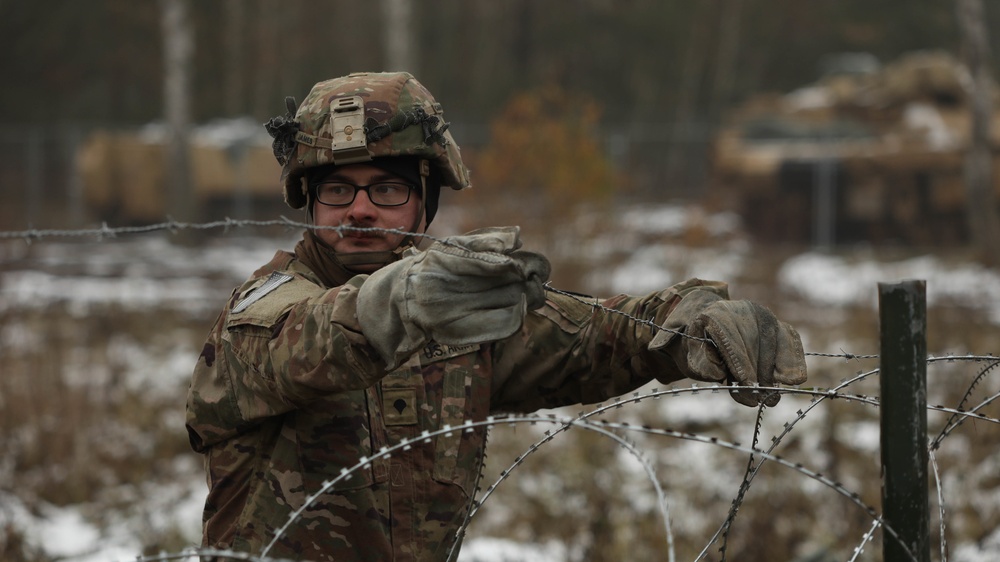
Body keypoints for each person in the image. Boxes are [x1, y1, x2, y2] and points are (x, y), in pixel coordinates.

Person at [185, 71, 808, 561]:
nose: (362, 210)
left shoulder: (457, 313)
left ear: (425, 201)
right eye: (338, 190)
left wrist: (688, 320)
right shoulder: (263, 309)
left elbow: (597, 333)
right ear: (310, 200)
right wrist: (398, 300)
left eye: (389, 189)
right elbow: (303, 341)